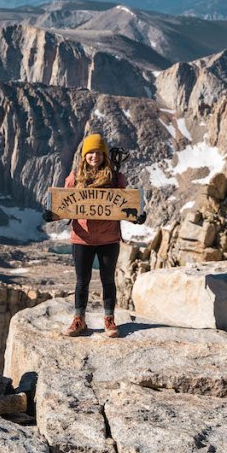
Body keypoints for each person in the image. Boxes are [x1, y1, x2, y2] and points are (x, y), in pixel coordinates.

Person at [43, 133, 144, 338]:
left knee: (108, 280)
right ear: (84, 156)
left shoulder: (116, 178)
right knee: (82, 281)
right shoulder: (74, 178)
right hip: (82, 238)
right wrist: (52, 215)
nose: (94, 156)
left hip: (108, 238)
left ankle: (109, 319)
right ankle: (79, 319)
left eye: (98, 152)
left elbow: (122, 206)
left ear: (104, 155)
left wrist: (137, 218)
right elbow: (65, 204)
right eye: (90, 153)